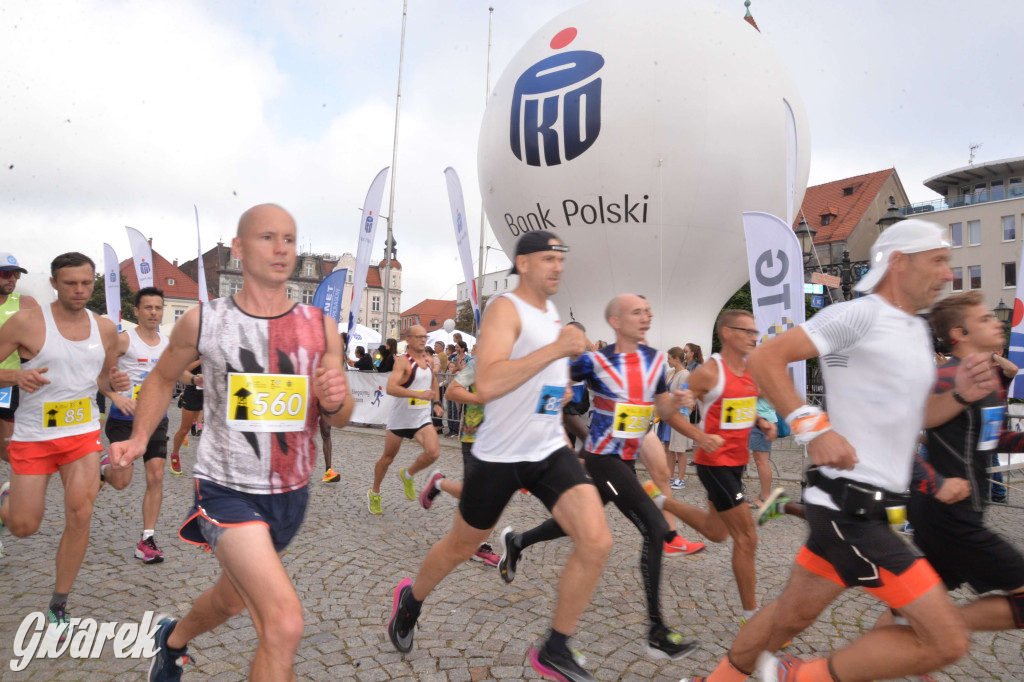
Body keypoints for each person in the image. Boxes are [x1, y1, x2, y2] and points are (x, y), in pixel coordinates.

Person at [683, 219, 992, 682]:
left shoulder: (913, 331)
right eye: (939, 261)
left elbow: (917, 417)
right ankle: (798, 677)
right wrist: (814, 428)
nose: (948, 274)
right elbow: (769, 357)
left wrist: (961, 395)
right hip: (851, 508)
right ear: (900, 263)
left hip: (867, 506)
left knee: (788, 617)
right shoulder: (859, 314)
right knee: (947, 640)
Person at [109, 204, 354, 681]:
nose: (281, 247)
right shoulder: (204, 321)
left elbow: (340, 417)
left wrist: (334, 400)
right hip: (225, 490)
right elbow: (160, 379)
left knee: (232, 598)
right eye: (267, 237)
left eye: (289, 238)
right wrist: (140, 438)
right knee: (283, 624)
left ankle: (173, 639)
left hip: (290, 495)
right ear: (238, 249)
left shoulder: (319, 327)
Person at [387, 231, 611, 681]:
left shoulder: (550, 313)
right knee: (461, 546)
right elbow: (486, 384)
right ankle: (411, 602)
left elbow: (538, 377)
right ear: (523, 263)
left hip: (547, 448)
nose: (558, 267)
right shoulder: (504, 310)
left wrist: (559, 385)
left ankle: (556, 647)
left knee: (596, 539)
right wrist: (558, 349)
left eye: (561, 259)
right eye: (549, 258)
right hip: (499, 454)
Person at [496, 293, 700, 661]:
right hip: (602, 457)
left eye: (647, 310)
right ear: (617, 322)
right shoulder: (595, 362)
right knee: (655, 529)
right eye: (637, 312)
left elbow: (661, 407)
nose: (646, 316)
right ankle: (656, 631)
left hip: (625, 460)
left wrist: (678, 403)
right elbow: (549, 378)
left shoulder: (655, 361)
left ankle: (519, 542)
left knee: (576, 523)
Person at [0, 251, 128, 636]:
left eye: (86, 283)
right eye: (70, 283)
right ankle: (6, 498)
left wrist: (115, 388)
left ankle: (59, 601)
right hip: (34, 436)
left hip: (81, 433)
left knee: (80, 512)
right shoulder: (26, 322)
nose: (79, 290)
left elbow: (102, 379)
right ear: (54, 283)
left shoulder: (104, 328)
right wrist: (13, 378)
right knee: (24, 526)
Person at [898, 290, 1024, 636]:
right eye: (984, 318)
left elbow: (991, 440)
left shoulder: (986, 379)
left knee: (915, 604)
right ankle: (939, 632)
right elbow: (900, 435)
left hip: (959, 509)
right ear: (959, 335)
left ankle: (884, 655)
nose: (996, 321)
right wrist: (932, 481)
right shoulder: (947, 378)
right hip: (949, 514)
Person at [649, 310, 774, 624]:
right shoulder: (709, 372)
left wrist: (761, 420)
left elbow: (742, 406)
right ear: (728, 333)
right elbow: (666, 411)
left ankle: (662, 502)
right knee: (747, 538)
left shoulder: (750, 370)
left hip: (736, 463)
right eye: (747, 331)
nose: (753, 337)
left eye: (755, 332)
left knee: (716, 532)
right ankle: (752, 617)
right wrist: (698, 435)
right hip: (714, 463)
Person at [99, 287, 196, 563]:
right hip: (123, 420)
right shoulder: (122, 342)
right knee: (121, 480)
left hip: (156, 419)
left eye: (158, 308)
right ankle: (104, 467)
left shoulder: (167, 344)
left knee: (156, 476)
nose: (154, 312)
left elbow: (179, 373)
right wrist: (116, 396)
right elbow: (101, 378)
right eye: (148, 308)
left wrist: (195, 381)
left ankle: (147, 539)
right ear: (137, 312)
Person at [419, 354, 502, 568]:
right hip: (476, 436)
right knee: (479, 493)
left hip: (502, 438)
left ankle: (439, 482)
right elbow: (454, 390)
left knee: (495, 493)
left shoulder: (518, 362)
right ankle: (478, 544)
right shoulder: (478, 363)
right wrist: (481, 398)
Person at [368, 325, 440, 514]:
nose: (423, 340)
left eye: (425, 336)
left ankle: (408, 475)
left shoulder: (428, 359)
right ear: (408, 340)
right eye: (418, 337)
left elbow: (433, 380)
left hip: (421, 418)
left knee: (433, 453)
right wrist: (418, 394)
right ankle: (375, 492)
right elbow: (391, 388)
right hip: (400, 418)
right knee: (388, 458)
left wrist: (438, 402)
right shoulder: (402, 362)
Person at [0, 252, 39, 465]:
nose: (12, 279)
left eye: (16, 274)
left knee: (8, 450)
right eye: (6, 273)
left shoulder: (26, 303)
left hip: (7, 383)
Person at [168, 360, 203, 476]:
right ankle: (175, 455)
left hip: (210, 393)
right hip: (192, 392)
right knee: (184, 429)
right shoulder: (195, 350)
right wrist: (201, 360)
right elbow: (184, 369)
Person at [665, 346, 692, 489]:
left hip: (679, 415)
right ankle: (670, 476)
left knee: (680, 449)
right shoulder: (671, 373)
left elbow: (682, 396)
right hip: (669, 414)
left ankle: (680, 478)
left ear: (676, 359)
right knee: (669, 447)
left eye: (669, 358)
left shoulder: (685, 375)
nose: (667, 361)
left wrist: (664, 397)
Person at [746, 397, 779, 507]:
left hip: (762, 420)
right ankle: (764, 497)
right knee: (760, 461)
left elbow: (759, 391)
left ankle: (765, 498)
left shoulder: (764, 379)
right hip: (761, 418)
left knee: (761, 461)